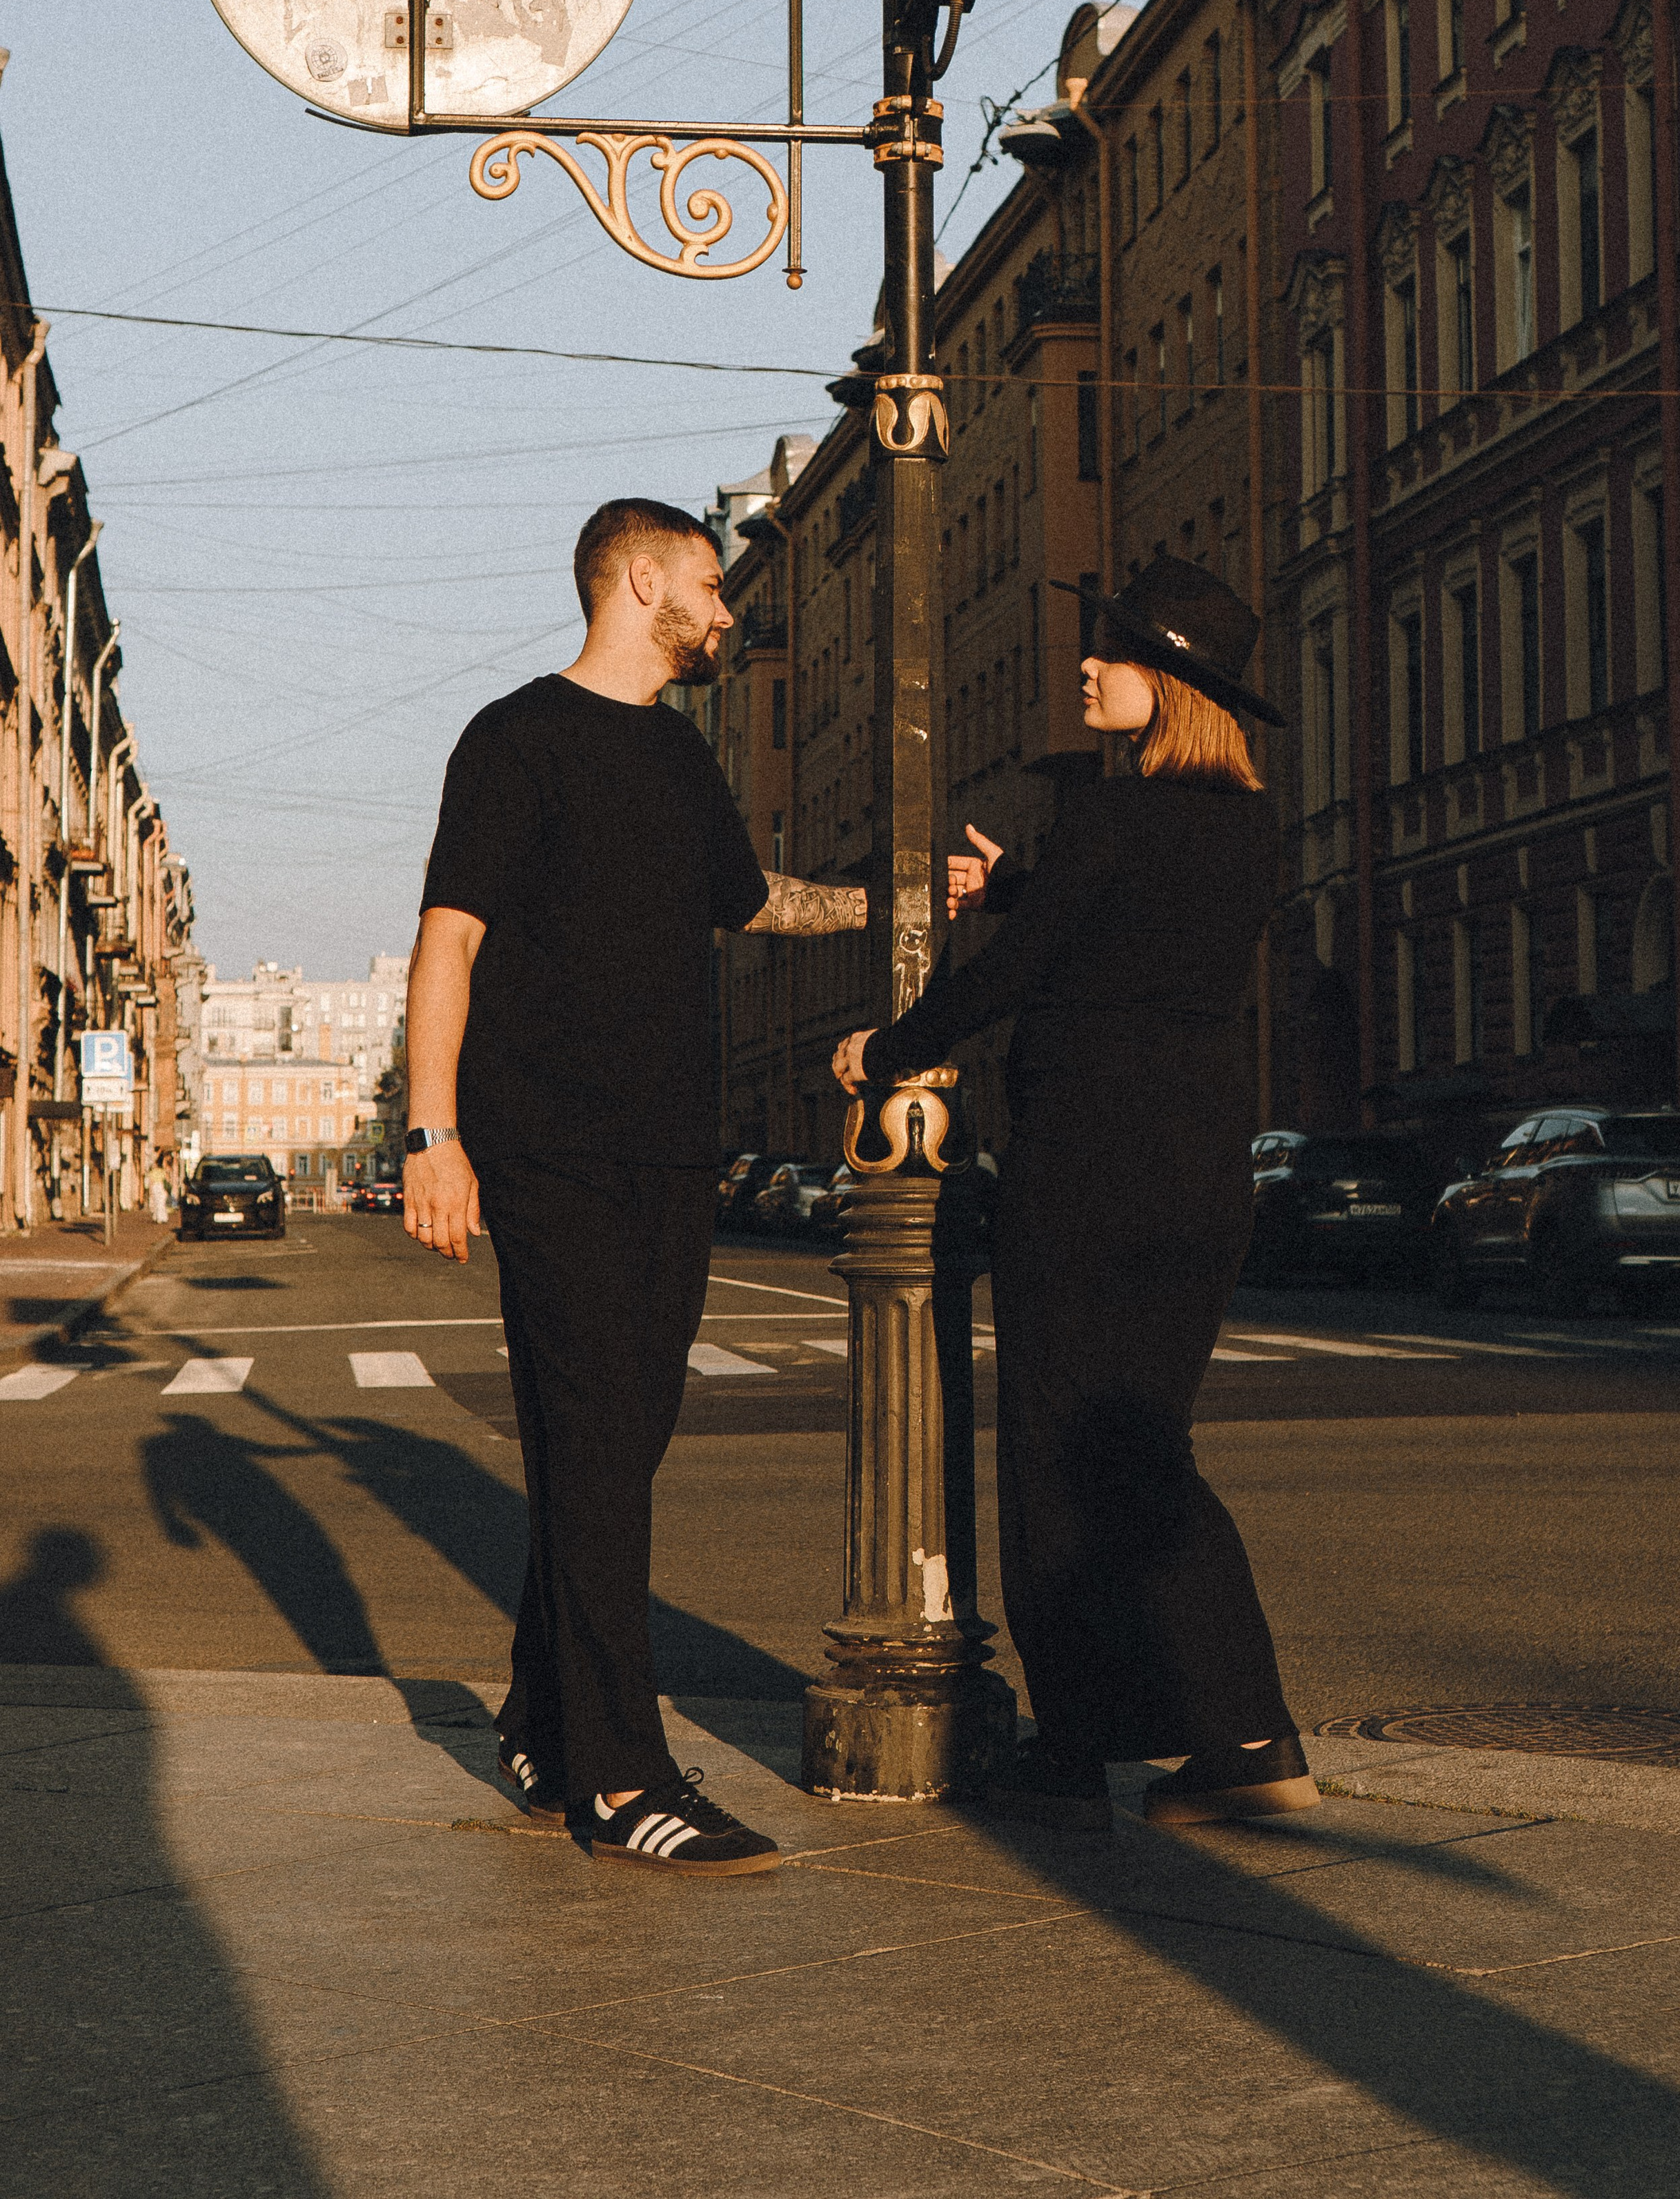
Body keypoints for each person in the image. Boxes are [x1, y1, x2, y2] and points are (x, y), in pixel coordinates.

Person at [406, 498, 867, 1877]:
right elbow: (448, 939)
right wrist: (432, 1135)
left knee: (615, 1442)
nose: (726, 613)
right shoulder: (514, 738)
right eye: (712, 587)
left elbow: (754, 901)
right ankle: (617, 1777)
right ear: (643, 580)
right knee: (600, 1445)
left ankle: (544, 1718)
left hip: (672, 1150)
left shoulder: (677, 753)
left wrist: (911, 901)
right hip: (550, 1145)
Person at [833, 558, 1318, 1835]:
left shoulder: (1116, 816)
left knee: (1078, 1458)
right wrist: (1022, 886)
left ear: (1167, 684)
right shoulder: (1238, 827)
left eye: (1109, 652)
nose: (1088, 668)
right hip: (1200, 1178)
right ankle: (1155, 1738)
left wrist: (883, 1048)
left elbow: (1029, 974)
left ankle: (1231, 1736)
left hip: (1092, 1176)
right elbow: (1124, 939)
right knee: (1129, 1446)